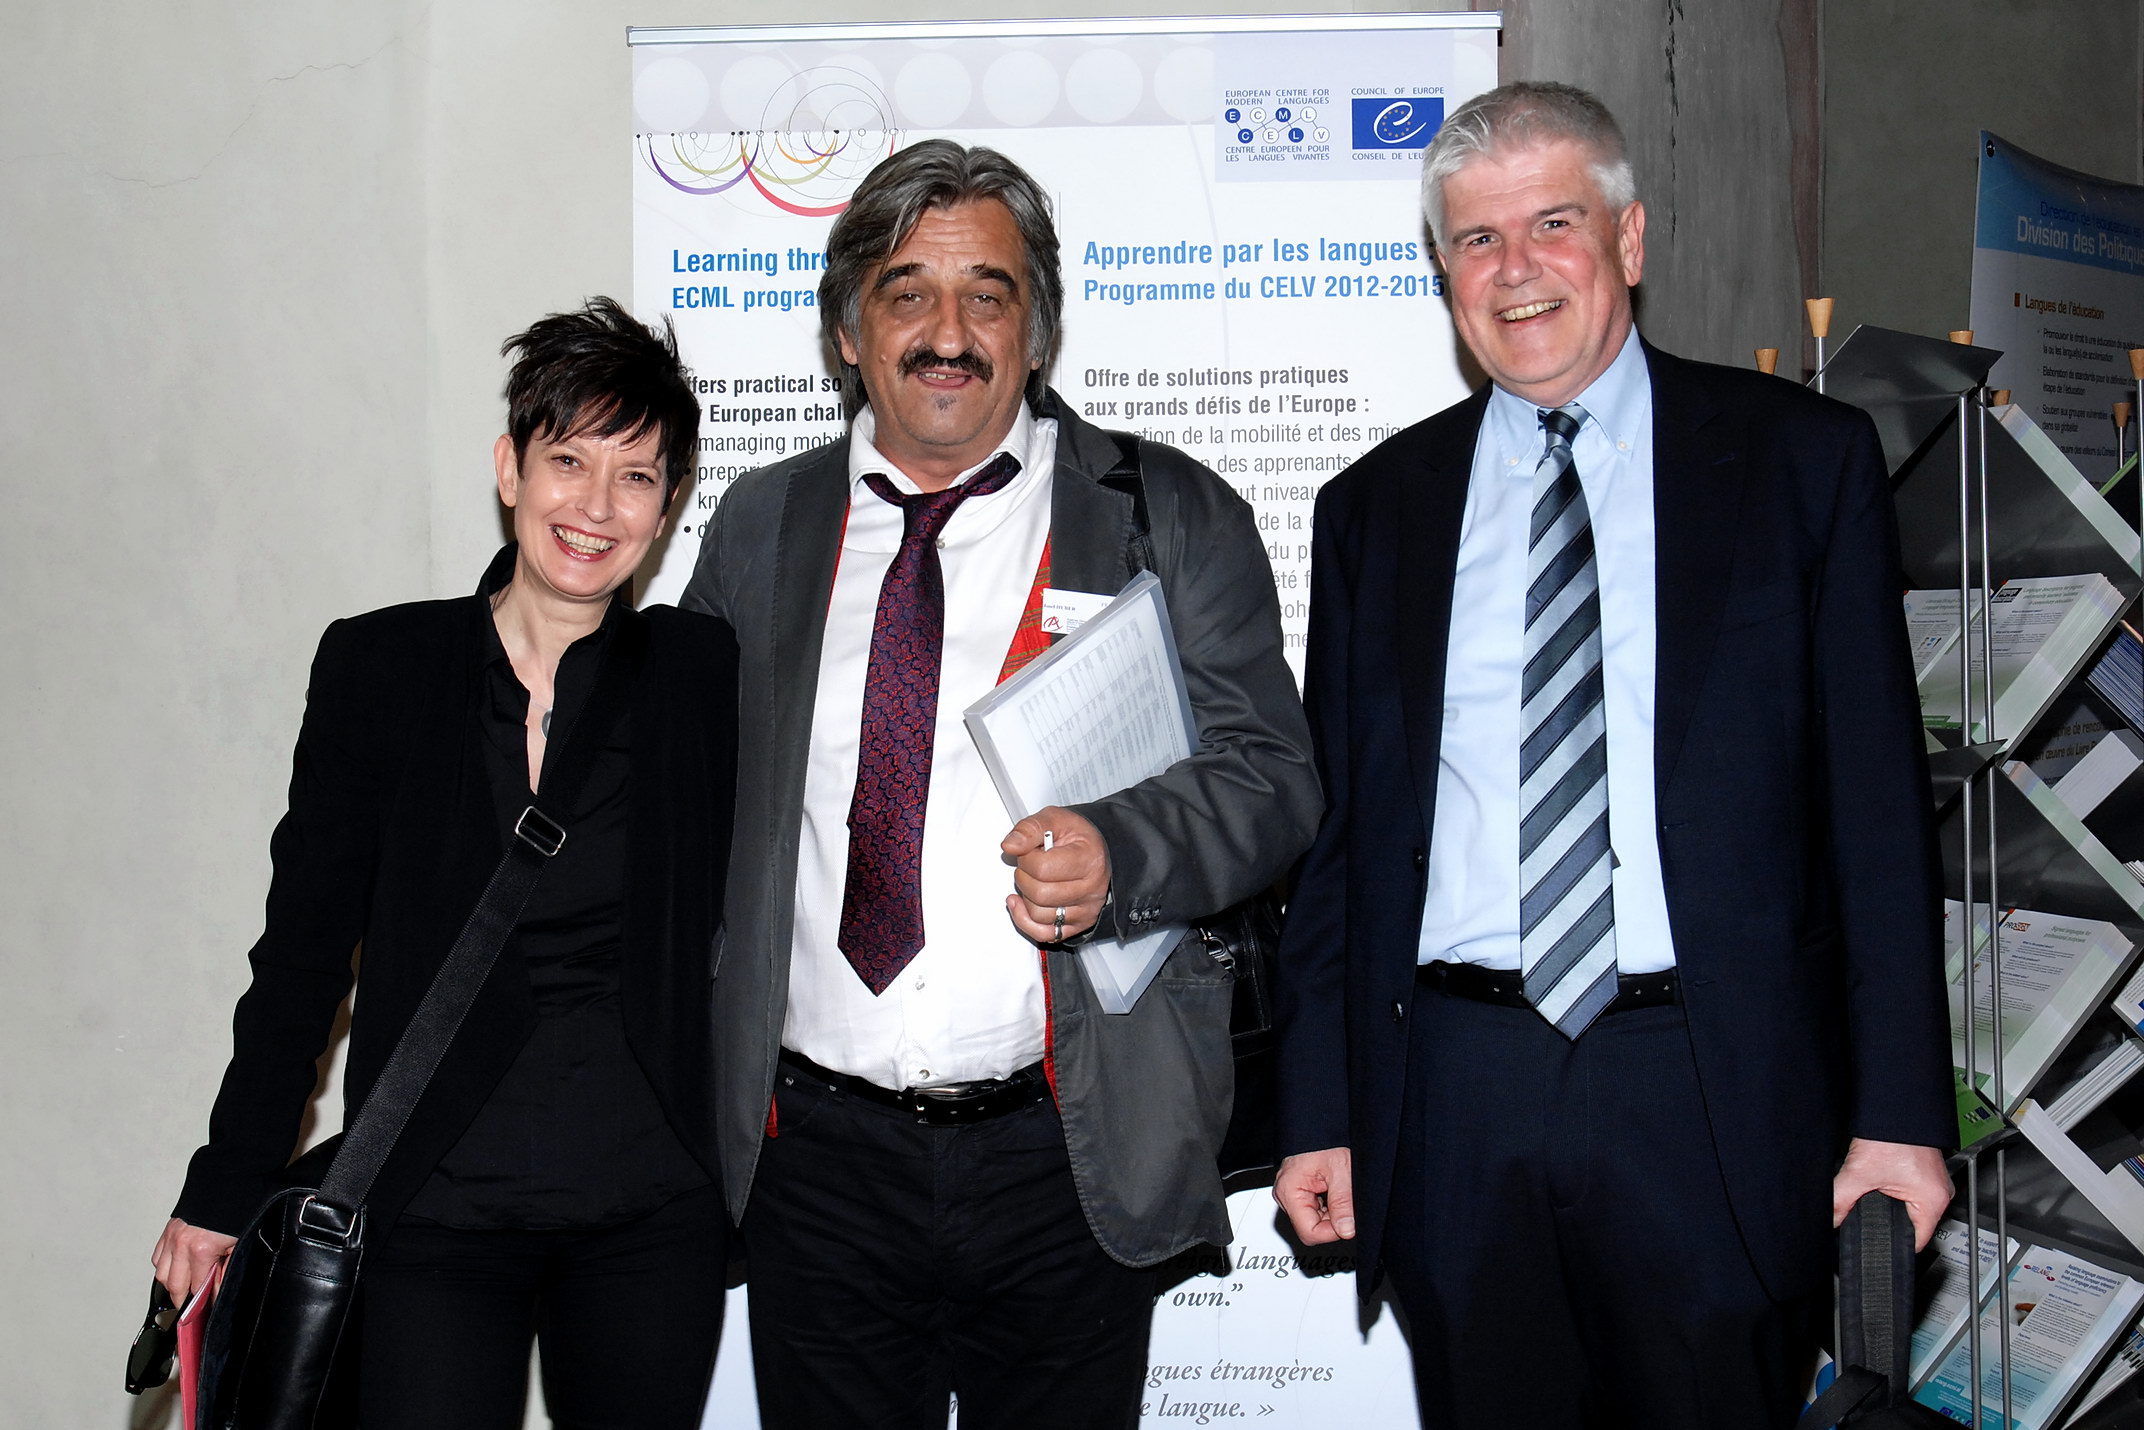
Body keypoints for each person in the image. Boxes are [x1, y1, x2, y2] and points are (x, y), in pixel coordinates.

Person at [1271, 82, 1954, 1428]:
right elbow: (1341, 846)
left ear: (1628, 240)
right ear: (1443, 271)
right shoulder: (1373, 510)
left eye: (1553, 223)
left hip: (1710, 1087)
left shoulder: (1800, 463)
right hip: (1457, 1095)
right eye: (1475, 238)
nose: (1514, 268)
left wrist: (1898, 1113)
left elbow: (1877, 816)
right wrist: (1318, 1107)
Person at [683, 138, 1320, 1429]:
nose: (948, 332)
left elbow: (1273, 778)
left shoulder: (1164, 512)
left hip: (1061, 1154)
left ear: (1037, 330)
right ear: (848, 330)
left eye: (989, 293)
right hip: (816, 1163)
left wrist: (1125, 849)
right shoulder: (762, 525)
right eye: (907, 292)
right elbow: (682, 797)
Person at [151, 298, 738, 1430]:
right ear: (509, 468)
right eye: (567, 460)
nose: (596, 505)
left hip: (648, 1215)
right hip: (430, 1209)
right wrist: (224, 1183)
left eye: (635, 476)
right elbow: (302, 956)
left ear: (668, 508)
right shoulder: (382, 667)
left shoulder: (699, 676)